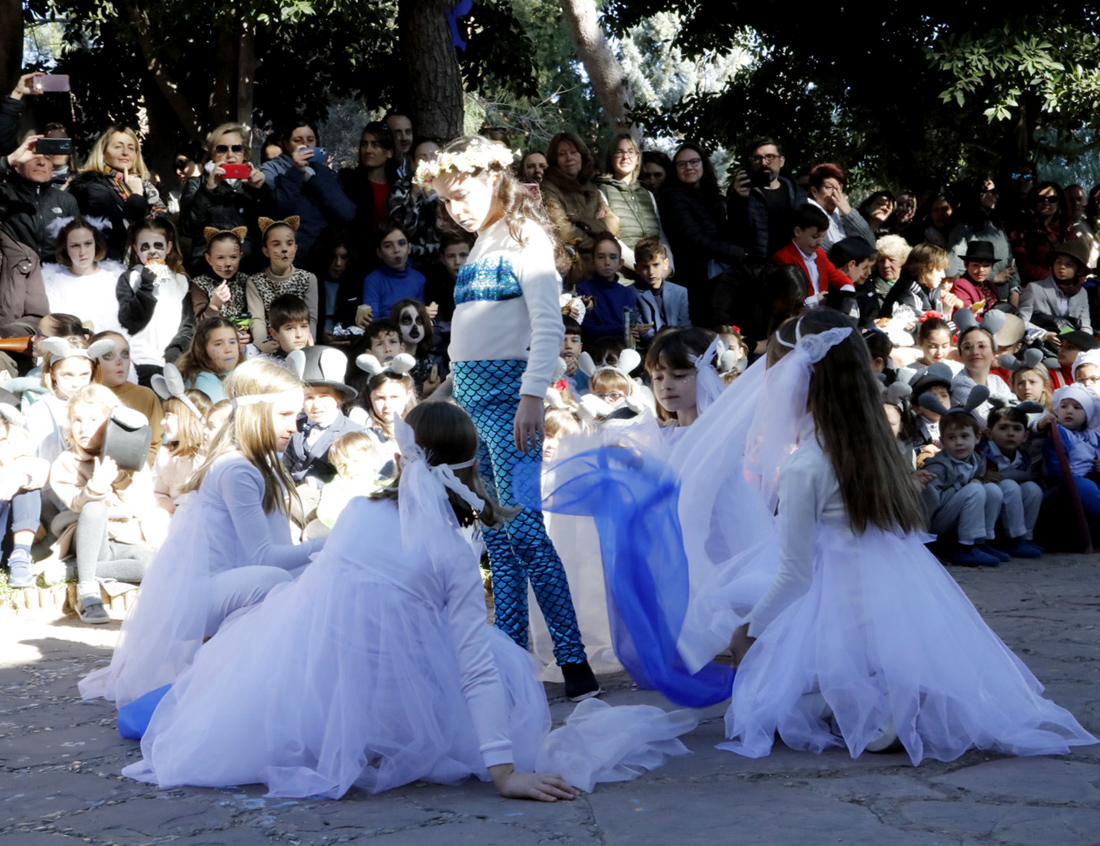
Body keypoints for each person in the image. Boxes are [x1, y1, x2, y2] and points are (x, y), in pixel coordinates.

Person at [119, 402, 694, 799]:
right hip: (386, 684)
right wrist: (504, 772)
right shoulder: (451, 553)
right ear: (474, 464)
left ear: (400, 457)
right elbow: (471, 668)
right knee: (499, 662)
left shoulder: (356, 511)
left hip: (317, 679)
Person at [715, 314, 1093, 762]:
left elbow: (794, 575)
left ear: (803, 381)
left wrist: (749, 632)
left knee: (767, 700)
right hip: (890, 591)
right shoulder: (877, 452)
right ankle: (893, 684)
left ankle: (876, 700)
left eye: (778, 375)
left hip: (836, 596)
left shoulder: (805, 467)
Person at [418, 135, 599, 699]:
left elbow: (547, 326)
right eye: (446, 201)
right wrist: (439, 394)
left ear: (495, 179)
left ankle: (573, 663)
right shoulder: (479, 245)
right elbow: (469, 339)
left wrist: (532, 396)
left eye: (462, 194)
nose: (456, 208)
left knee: (521, 525)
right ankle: (511, 652)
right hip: (471, 402)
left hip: (510, 402)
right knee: (496, 534)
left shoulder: (527, 238)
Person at [78, 358, 327, 708]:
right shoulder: (237, 468)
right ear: (255, 414)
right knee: (274, 579)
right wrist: (330, 544)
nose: (295, 427)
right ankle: (232, 678)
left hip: (229, 582)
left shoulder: (264, 459)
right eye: (285, 415)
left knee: (318, 583)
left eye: (296, 416)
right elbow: (264, 557)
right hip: (197, 599)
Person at [49, 383, 158, 623]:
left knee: (154, 564)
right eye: (76, 420)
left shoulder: (134, 461)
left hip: (122, 539)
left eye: (93, 419)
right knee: (94, 506)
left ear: (111, 422)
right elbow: (77, 504)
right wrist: (96, 486)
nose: (83, 427)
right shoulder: (67, 462)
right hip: (88, 537)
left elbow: (143, 507)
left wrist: (120, 479)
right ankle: (87, 593)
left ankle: (74, 570)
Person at [659, 141, 744, 327]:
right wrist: (737, 253)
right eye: (682, 164)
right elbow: (694, 238)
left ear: (703, 165)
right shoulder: (672, 196)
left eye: (694, 162)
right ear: (675, 169)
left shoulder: (710, 195)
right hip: (697, 277)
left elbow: (726, 229)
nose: (689, 167)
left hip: (718, 270)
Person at [178, 123, 271, 275]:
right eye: (222, 149)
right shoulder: (197, 184)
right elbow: (187, 228)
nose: (230, 155)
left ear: (244, 153)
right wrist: (208, 190)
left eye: (236, 148)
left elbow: (270, 226)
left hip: (248, 268)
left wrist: (261, 192)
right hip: (207, 269)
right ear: (212, 153)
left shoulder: (253, 184)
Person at [67, 126, 167, 261]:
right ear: (103, 153)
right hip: (112, 264)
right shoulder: (92, 186)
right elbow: (120, 232)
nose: (125, 152)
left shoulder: (145, 186)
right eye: (118, 147)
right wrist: (136, 197)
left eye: (131, 148)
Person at [260, 122, 355, 263]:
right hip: (290, 261)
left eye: (310, 140)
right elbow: (278, 212)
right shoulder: (271, 169)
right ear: (286, 144)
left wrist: (313, 180)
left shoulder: (325, 172)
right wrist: (296, 172)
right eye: (298, 141)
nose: (305, 145)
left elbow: (346, 213)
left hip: (325, 261)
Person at [116, 217, 194, 382]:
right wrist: (146, 285)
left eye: (158, 245)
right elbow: (129, 322)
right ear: (136, 249)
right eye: (145, 247)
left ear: (169, 247)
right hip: (139, 361)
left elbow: (187, 326)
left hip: (173, 362)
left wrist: (175, 352)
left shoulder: (181, 281)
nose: (152, 251)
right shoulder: (130, 278)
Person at [540, 131, 620, 276]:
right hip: (573, 266)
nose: (569, 158)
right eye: (562, 154)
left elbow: (614, 223)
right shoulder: (548, 187)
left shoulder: (591, 187)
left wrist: (582, 223)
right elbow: (564, 232)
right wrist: (598, 237)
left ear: (582, 155)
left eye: (573, 152)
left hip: (600, 266)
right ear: (555, 160)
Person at [0, 132, 80, 262]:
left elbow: (76, 243)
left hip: (55, 275)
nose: (41, 162)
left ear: (52, 171)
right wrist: (9, 160)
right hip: (16, 276)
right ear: (17, 167)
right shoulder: (4, 194)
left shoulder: (66, 200)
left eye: (47, 158)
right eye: (33, 156)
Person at [40, 218, 125, 336]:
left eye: (88, 243)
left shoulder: (115, 279)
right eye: (75, 246)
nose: (83, 251)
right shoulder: (53, 281)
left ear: (96, 243)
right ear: (66, 249)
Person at [90, 331, 164, 466]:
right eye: (108, 355)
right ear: (93, 361)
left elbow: (155, 445)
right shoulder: (84, 397)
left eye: (125, 354)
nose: (120, 361)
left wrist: (128, 474)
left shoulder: (146, 396)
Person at [245, 217, 318, 351]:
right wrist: (262, 342)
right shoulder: (255, 282)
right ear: (266, 251)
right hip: (271, 346)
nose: (284, 249)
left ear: (295, 248)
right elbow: (257, 318)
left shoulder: (308, 279)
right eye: (276, 244)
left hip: (301, 344)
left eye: (289, 244)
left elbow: (311, 317)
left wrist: (307, 341)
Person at [727, 136, 805, 259]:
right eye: (757, 158)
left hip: (792, 263)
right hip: (758, 265)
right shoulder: (741, 190)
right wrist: (739, 199)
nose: (764, 163)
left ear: (781, 161)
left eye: (770, 157)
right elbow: (736, 231)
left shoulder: (796, 192)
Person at [597, 133, 666, 270]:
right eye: (619, 152)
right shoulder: (602, 192)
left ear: (637, 159)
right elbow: (610, 238)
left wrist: (667, 267)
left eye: (630, 152)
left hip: (656, 275)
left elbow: (662, 236)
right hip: (625, 277)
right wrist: (642, 268)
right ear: (611, 158)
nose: (625, 157)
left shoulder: (647, 195)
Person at [770, 204, 855, 309]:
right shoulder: (783, 258)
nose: (819, 242)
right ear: (797, 232)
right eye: (815, 237)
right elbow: (787, 300)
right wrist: (815, 301)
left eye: (822, 237)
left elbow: (836, 276)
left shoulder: (820, 254)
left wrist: (847, 290)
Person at [339, 121, 400, 252]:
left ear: (389, 152)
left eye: (375, 145)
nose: (368, 150)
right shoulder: (349, 181)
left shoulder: (398, 185)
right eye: (364, 144)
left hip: (391, 257)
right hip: (357, 258)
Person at [804, 163, 875, 251]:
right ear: (814, 191)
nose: (835, 193)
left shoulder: (841, 214)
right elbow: (830, 252)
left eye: (839, 188)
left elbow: (870, 242)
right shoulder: (807, 214)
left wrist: (849, 213)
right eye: (829, 187)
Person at [175, 317, 241, 404]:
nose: (228, 349)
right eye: (218, 344)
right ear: (203, 349)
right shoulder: (205, 380)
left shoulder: (239, 373)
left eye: (232, 342)